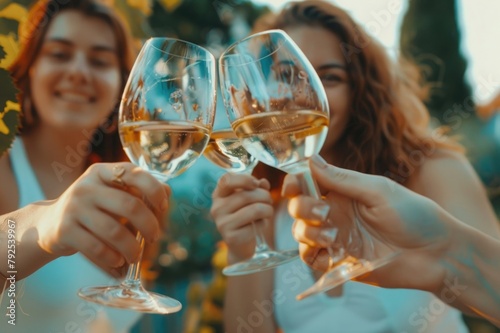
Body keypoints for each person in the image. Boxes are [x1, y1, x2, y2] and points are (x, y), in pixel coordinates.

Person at [210, 1, 500, 332]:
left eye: (328, 77)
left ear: (360, 89)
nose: (302, 95)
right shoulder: (273, 207)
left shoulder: (433, 170)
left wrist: (445, 255)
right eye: (286, 76)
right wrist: (243, 251)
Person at [0, 0, 169, 332]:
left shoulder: (129, 195)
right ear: (31, 67)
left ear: (122, 87)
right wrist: (40, 226)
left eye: (99, 60)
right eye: (59, 54)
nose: (78, 71)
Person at [282, 155, 500, 327]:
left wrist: (442, 250)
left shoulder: (431, 165)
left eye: (325, 93)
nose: (293, 101)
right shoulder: (270, 210)